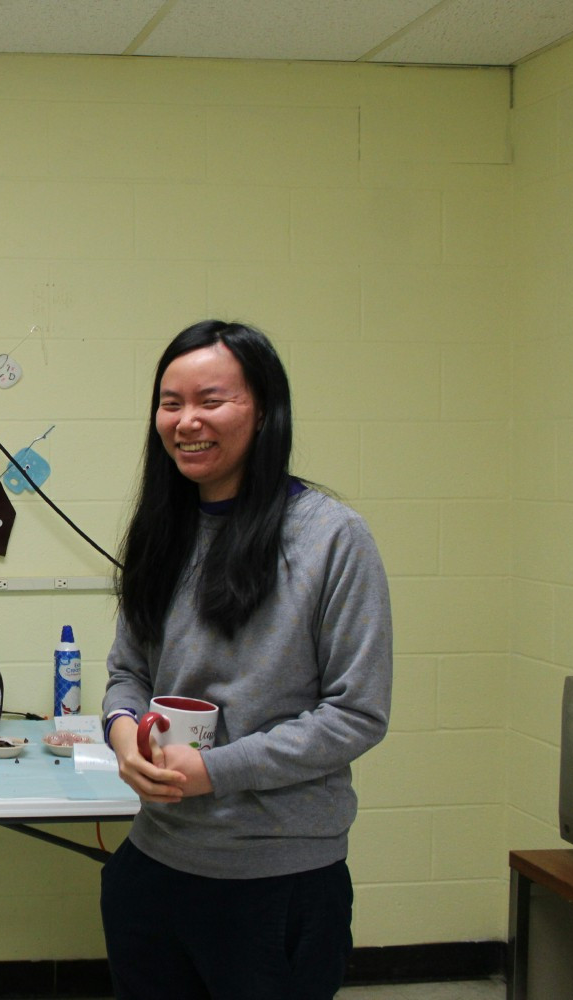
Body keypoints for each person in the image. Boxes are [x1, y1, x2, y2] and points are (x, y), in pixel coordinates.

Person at [99, 320, 392, 1000]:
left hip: (277, 883)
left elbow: (356, 714)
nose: (187, 420)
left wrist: (215, 772)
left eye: (211, 399)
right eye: (170, 403)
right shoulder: (161, 529)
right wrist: (121, 735)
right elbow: (127, 672)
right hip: (155, 865)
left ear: (264, 412)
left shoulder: (331, 539)